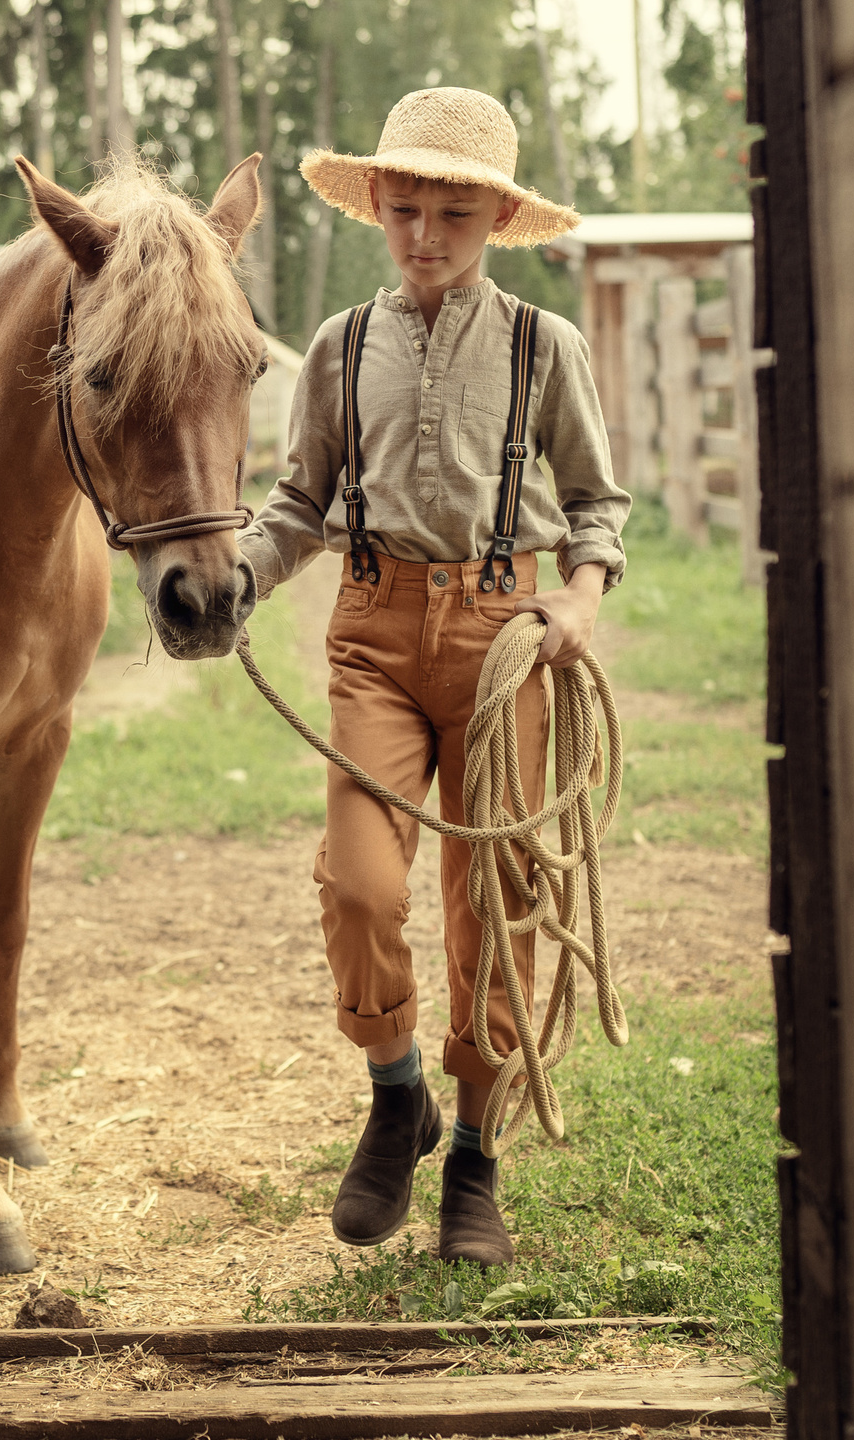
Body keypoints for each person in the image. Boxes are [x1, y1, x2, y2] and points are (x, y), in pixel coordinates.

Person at [239, 87, 629, 1266]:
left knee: (493, 905)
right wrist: (234, 581)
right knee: (359, 884)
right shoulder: (339, 347)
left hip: (506, 638)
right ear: (377, 210)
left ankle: (474, 1157)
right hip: (373, 630)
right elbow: (300, 502)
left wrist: (578, 595)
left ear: (494, 216)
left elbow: (598, 505)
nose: (423, 235)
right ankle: (394, 1087)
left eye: (451, 213)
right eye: (403, 209)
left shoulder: (538, 346)